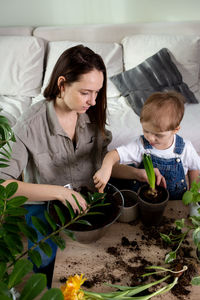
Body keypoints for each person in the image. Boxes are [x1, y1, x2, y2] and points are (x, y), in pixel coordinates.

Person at [0, 45, 164, 288]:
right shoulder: (29, 125)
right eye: (86, 92)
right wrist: (60, 192)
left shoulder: (91, 114)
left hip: (87, 200)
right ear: (62, 84)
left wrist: (137, 173)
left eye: (97, 92)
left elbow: (101, 164)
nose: (93, 101)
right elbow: (4, 184)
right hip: (45, 204)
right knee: (46, 260)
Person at [93, 91, 200, 200]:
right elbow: (113, 155)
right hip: (145, 200)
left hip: (175, 201)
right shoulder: (141, 144)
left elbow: (194, 168)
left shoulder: (185, 147)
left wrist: (193, 192)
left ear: (175, 130)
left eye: (158, 135)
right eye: (146, 131)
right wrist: (105, 167)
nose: (150, 138)